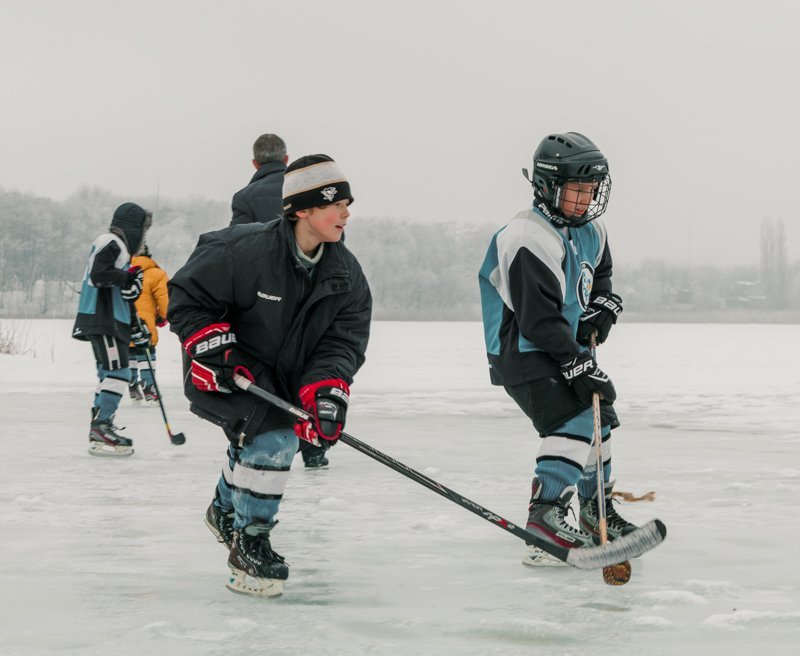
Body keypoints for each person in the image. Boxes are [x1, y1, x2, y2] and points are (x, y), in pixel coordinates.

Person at [168, 154, 372, 597]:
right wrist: (211, 343)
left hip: (289, 379)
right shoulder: (242, 250)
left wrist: (326, 392)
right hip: (228, 369)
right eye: (335, 204)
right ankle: (250, 543)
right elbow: (185, 295)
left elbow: (342, 342)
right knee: (275, 439)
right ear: (303, 209)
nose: (346, 214)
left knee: (263, 439)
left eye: (347, 204)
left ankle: (224, 509)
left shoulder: (346, 275)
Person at [478, 132, 635, 567]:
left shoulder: (591, 229)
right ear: (547, 186)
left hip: (561, 344)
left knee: (599, 418)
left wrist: (601, 306)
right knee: (576, 415)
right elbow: (537, 319)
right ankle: (545, 520)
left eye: (591, 190)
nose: (585, 200)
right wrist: (576, 364)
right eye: (576, 190)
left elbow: (599, 272)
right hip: (522, 349)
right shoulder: (527, 236)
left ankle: (595, 514)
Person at [72, 202, 153, 456]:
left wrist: (135, 324)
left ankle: (101, 425)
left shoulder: (119, 249)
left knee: (109, 373)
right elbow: (99, 275)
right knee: (118, 372)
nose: (143, 236)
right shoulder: (111, 241)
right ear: (133, 228)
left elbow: (119, 290)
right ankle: (101, 427)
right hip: (103, 318)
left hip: (111, 319)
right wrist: (127, 277)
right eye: (143, 229)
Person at [128, 244, 170, 406]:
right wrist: (163, 316)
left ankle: (132, 386)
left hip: (124, 322)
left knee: (130, 352)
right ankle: (149, 387)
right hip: (145, 325)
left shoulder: (123, 272)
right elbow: (165, 300)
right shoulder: (156, 274)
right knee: (146, 353)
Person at [229, 133, 288, 226]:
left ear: (255, 163)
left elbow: (238, 234)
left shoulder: (244, 198)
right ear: (286, 159)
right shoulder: (306, 188)